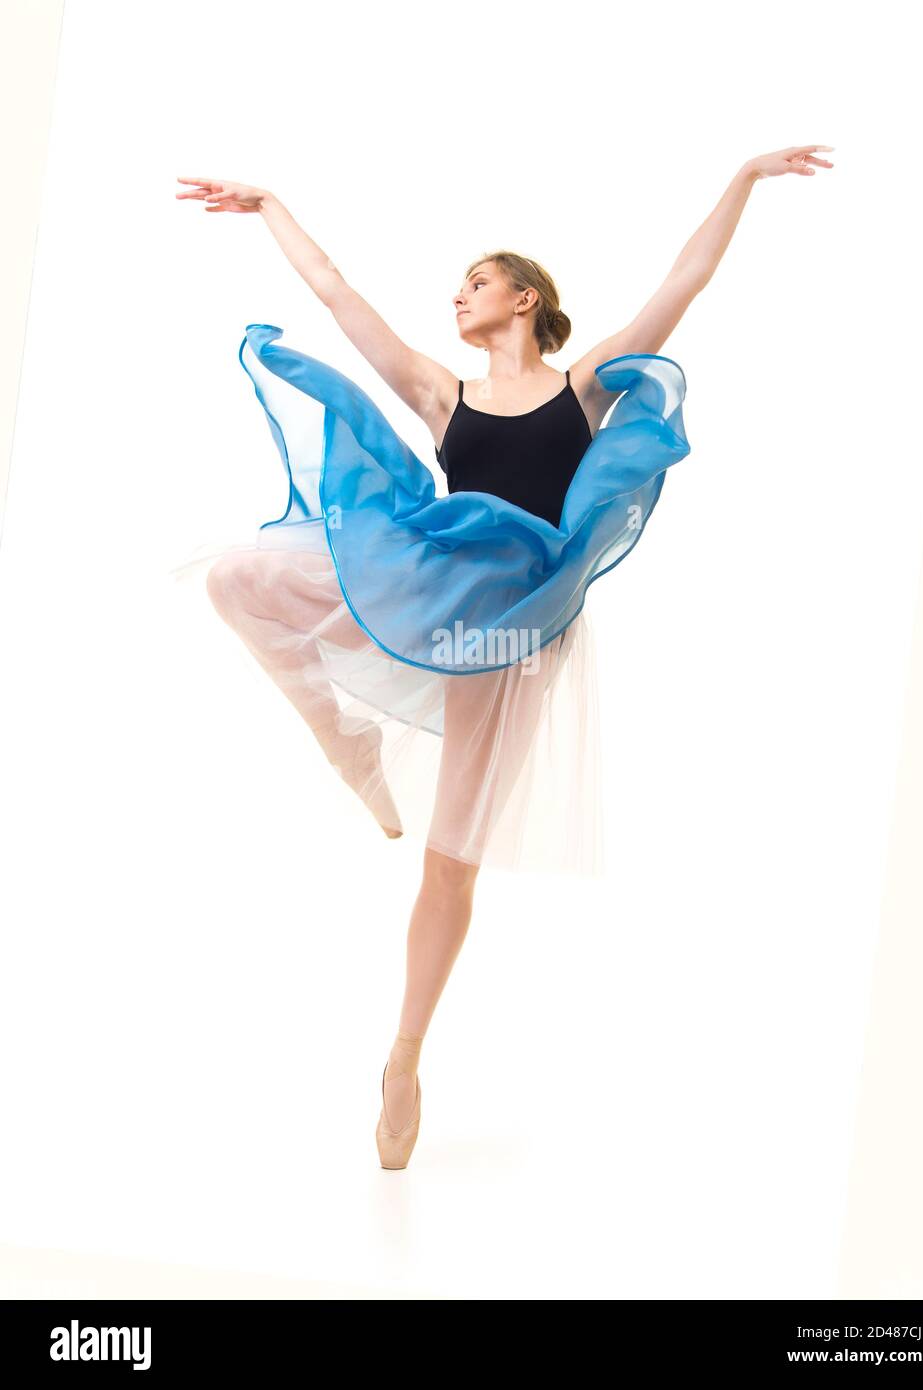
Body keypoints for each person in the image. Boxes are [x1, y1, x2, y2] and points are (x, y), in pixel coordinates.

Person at [173, 144, 834, 1169]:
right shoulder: (444, 395)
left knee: (451, 860)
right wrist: (271, 207)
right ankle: (348, 745)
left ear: (524, 298)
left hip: (514, 634)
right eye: (457, 286)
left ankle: (403, 1057)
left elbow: (685, 282)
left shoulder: (583, 390)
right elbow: (342, 298)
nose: (458, 297)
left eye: (475, 282)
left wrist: (744, 179)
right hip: (426, 590)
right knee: (236, 580)